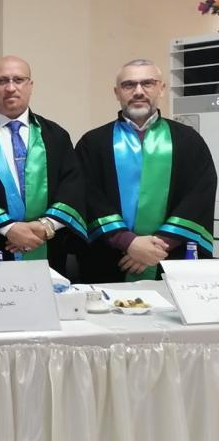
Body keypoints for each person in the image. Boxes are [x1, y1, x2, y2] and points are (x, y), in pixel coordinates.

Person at [77, 59, 216, 282]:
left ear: (162, 88)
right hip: (110, 258)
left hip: (172, 259)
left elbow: (199, 196)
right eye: (129, 85)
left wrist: (158, 247)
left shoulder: (188, 140)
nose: (138, 91)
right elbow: (87, 195)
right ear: (117, 92)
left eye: (148, 83)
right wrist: (128, 242)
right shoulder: (93, 143)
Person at [0, 55, 86, 273]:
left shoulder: (56, 135)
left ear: (30, 85)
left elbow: (72, 186)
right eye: (1, 81)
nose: (11, 88)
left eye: (19, 80)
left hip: (46, 243)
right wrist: (10, 229)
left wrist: (44, 227)